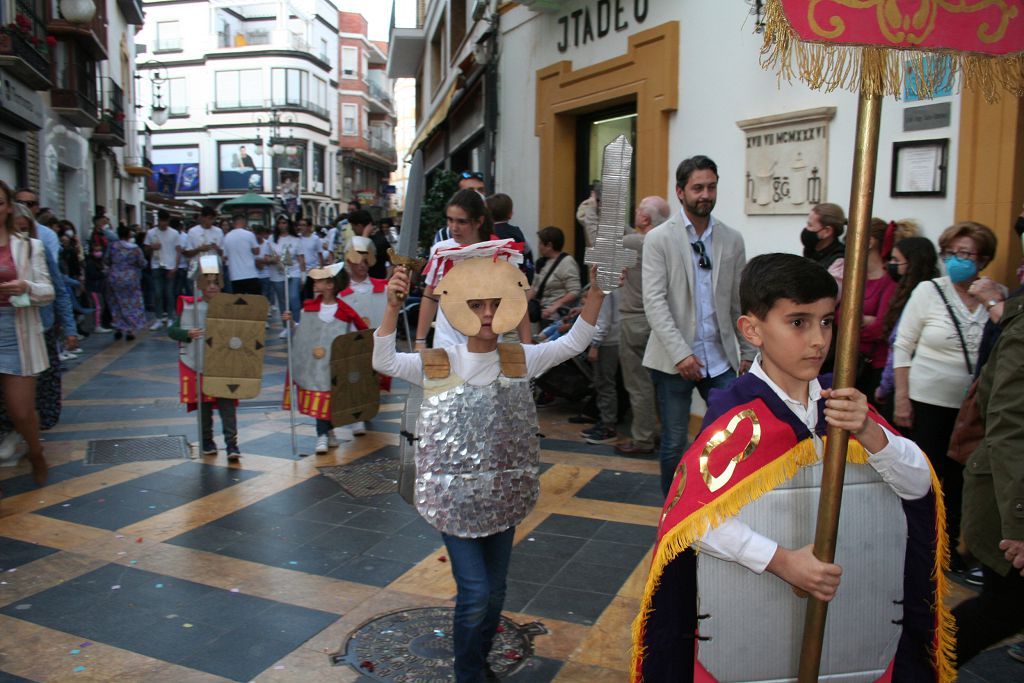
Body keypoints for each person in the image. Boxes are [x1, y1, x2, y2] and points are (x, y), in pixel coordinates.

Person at [632, 253, 947, 682]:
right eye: (798, 322)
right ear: (752, 330)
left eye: (826, 321)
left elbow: (918, 488)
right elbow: (693, 521)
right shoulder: (736, 414)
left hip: (852, 625)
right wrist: (779, 560)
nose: (818, 340)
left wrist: (871, 433)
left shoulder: (844, 403)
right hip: (749, 628)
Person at [373, 239, 609, 683]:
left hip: (504, 494)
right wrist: (391, 306)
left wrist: (595, 293)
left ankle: (479, 659)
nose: (486, 315)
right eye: (476, 304)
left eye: (495, 304)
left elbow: (575, 341)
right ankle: (468, 672)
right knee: (477, 591)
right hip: (451, 497)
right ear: (457, 307)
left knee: (495, 590)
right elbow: (382, 358)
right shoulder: (439, 363)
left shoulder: (521, 359)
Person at [642, 155, 754, 495]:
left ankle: (718, 502)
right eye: (697, 188)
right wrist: (681, 354)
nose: (705, 194)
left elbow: (739, 300)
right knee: (674, 442)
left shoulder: (732, 240)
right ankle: (672, 513)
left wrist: (748, 351)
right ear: (680, 192)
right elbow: (655, 302)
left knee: (728, 435)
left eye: (711, 186)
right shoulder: (660, 239)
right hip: (673, 360)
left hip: (720, 358)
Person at [894, 221, 999, 565]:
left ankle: (950, 549)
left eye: (966, 254)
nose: (957, 260)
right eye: (951, 253)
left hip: (971, 407)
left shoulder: (995, 296)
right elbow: (903, 346)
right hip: (928, 402)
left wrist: (993, 302)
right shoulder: (929, 291)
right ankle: (924, 547)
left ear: (982, 259)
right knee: (928, 477)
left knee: (961, 480)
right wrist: (902, 398)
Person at [952, 284, 1024, 666]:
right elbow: (1010, 429)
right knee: (1002, 609)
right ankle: (919, 665)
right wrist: (1019, 524)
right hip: (1010, 492)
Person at [416, 189, 531, 349]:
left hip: (488, 349)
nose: (454, 227)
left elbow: (517, 300)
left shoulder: (501, 253)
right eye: (450, 220)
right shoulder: (441, 250)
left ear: (479, 221)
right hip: (447, 346)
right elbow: (430, 296)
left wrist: (528, 347)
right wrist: (420, 341)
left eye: (462, 222)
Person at [0, 182, 54, 490]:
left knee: (21, 411)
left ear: (8, 206)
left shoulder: (28, 246)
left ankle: (36, 452)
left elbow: (47, 290)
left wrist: (26, 287)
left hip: (15, 331)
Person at [282, 263, 366, 453]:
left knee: (331, 401)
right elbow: (302, 334)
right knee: (320, 397)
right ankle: (322, 435)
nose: (314, 282)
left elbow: (355, 338)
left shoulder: (345, 312)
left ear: (330, 285)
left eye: (319, 280)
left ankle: (329, 433)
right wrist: (291, 324)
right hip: (315, 365)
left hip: (335, 366)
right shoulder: (308, 308)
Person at [168, 262, 240, 461]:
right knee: (204, 407)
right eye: (208, 283)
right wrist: (187, 333)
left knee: (227, 407)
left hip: (225, 364)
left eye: (216, 282)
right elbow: (172, 331)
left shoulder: (231, 305)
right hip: (198, 363)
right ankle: (207, 441)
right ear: (200, 285)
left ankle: (232, 444)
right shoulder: (191, 306)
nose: (212, 286)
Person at [615, 195, 669, 457]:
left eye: (638, 210)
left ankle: (642, 439)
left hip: (634, 321)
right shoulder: (665, 242)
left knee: (638, 383)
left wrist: (591, 210)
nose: (635, 213)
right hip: (658, 322)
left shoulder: (634, 243)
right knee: (659, 383)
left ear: (645, 219)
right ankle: (660, 433)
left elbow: (604, 239)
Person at [875, 237, 939, 422]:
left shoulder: (922, 294)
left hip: (911, 386)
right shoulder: (902, 289)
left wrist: (885, 386)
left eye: (896, 261)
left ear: (913, 263)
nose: (890, 265)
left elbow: (899, 346)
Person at [852, 218, 898, 400]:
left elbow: (880, 329)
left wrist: (855, 322)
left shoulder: (889, 281)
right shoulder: (854, 276)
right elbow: (839, 318)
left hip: (874, 365)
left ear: (869, 242)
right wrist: (864, 319)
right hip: (851, 360)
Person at [583, 287, 620, 444]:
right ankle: (604, 421)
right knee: (602, 383)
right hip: (609, 340)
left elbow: (603, 318)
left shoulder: (605, 285)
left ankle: (608, 426)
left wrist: (595, 344)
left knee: (605, 383)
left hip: (607, 342)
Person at [529, 226, 581, 327]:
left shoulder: (567, 262)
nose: (538, 246)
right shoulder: (542, 262)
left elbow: (575, 291)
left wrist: (556, 305)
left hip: (557, 318)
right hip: (542, 314)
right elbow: (535, 287)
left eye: (540, 243)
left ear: (549, 245)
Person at [106, 224, 146, 341]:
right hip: (131, 278)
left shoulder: (112, 246)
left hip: (114, 277)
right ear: (129, 235)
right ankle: (130, 329)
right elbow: (142, 263)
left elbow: (107, 259)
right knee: (132, 304)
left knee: (116, 302)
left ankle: (118, 326)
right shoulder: (135, 248)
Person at [144, 210, 182, 330]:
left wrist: (175, 267)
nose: (164, 223)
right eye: (162, 221)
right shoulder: (151, 233)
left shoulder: (174, 233)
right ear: (159, 220)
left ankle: (170, 317)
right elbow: (145, 249)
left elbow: (178, 250)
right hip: (156, 265)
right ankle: (158, 318)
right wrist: (151, 247)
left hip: (170, 266)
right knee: (158, 293)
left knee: (169, 293)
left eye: (166, 221)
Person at [486, 193, 534, 282]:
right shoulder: (517, 232)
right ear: (510, 214)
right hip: (516, 277)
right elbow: (527, 251)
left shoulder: (486, 234)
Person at [272, 215, 305, 338]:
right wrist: (273, 259)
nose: (282, 225)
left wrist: (303, 276)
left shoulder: (296, 240)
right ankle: (286, 327)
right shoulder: (273, 239)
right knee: (282, 301)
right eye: (280, 223)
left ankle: (296, 325)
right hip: (278, 274)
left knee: (293, 298)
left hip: (294, 272)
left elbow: (301, 258)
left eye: (284, 222)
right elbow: (267, 256)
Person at [432, 172, 487, 244]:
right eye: (470, 190)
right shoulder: (444, 236)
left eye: (480, 190)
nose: (477, 194)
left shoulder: (499, 227)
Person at [85, 214, 113, 333]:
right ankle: (97, 325)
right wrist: (104, 274)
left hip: (98, 287)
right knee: (98, 306)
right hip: (94, 287)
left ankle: (100, 323)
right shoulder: (91, 263)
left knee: (100, 305)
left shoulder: (100, 262)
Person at [221, 214, 261, 295]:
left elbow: (224, 256)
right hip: (250, 273)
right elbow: (256, 251)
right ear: (243, 222)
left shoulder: (227, 237)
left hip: (235, 274)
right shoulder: (249, 234)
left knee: (239, 302)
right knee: (254, 301)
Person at [801, 202, 847, 271]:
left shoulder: (839, 262)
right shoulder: (810, 251)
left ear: (827, 231)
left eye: (810, 225)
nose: (807, 229)